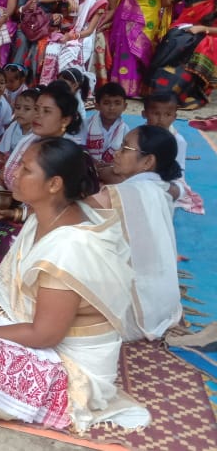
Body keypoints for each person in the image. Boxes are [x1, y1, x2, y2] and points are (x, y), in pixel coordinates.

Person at [0, 136, 149, 433]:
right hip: (41, 333)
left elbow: (45, 334)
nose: (15, 174)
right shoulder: (44, 217)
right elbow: (12, 294)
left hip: (71, 367)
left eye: (26, 169)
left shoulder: (69, 249)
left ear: (54, 184)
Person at [0, 82, 80, 276]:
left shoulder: (68, 155)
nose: (37, 115)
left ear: (65, 119)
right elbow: (3, 178)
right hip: (9, 209)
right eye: (37, 109)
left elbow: (62, 210)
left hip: (36, 223)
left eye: (46, 111)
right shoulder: (29, 140)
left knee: (4, 247)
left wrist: (14, 214)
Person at [86, 125, 182, 341]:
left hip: (135, 313)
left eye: (125, 148)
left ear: (147, 162)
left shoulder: (121, 194)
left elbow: (67, 213)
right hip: (164, 304)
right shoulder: (161, 188)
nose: (116, 153)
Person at [37, 0, 109, 86]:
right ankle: (48, 86)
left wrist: (71, 37)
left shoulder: (99, 1)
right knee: (51, 49)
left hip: (84, 37)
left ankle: (67, 87)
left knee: (69, 52)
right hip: (69, 32)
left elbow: (90, 31)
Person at [11, 0, 66, 72]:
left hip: (47, 27)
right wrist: (26, 8)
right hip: (27, 25)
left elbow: (66, 10)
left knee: (39, 46)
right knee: (22, 42)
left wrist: (60, 16)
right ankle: (15, 75)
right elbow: (17, 11)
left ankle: (34, 79)